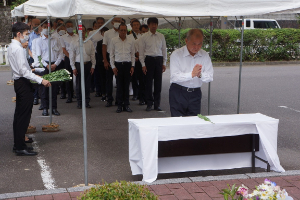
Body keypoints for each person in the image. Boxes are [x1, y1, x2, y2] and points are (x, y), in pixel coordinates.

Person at [8, 22, 51, 156]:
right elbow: (23, 72)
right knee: (23, 116)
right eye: (26, 34)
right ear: (19, 34)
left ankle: (19, 143)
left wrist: (33, 70)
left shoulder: (13, 46)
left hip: (19, 82)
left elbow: (23, 69)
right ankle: (20, 146)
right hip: (23, 82)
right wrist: (41, 80)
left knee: (20, 115)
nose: (28, 37)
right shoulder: (18, 48)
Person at [169, 29, 213, 117]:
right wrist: (191, 74)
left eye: (199, 44)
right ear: (186, 41)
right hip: (178, 92)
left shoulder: (204, 55)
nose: (196, 47)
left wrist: (199, 74)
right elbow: (174, 77)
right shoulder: (176, 54)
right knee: (177, 122)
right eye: (194, 43)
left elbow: (210, 76)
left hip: (195, 93)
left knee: (194, 122)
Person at [138, 17, 167, 111]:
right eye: (152, 24)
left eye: (155, 24)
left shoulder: (161, 36)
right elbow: (141, 52)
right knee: (148, 83)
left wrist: (164, 63)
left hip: (158, 60)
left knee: (158, 84)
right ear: (149, 25)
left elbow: (164, 50)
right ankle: (149, 103)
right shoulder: (144, 37)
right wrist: (143, 64)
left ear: (157, 25)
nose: (154, 26)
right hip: (149, 60)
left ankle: (157, 104)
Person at [36, 21, 64, 116]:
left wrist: (55, 64)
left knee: (54, 87)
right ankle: (45, 108)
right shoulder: (39, 41)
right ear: (41, 28)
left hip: (54, 64)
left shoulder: (56, 39)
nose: (46, 28)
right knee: (44, 88)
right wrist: (46, 65)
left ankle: (54, 108)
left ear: (51, 28)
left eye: (48, 27)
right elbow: (39, 56)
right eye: (44, 26)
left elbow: (60, 53)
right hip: (45, 65)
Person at [110, 23, 135, 113]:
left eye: (125, 30)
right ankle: (119, 105)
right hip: (118, 65)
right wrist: (113, 67)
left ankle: (126, 105)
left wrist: (133, 66)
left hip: (128, 65)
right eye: (121, 30)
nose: (123, 32)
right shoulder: (114, 40)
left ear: (127, 31)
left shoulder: (131, 40)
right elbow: (111, 55)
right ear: (118, 30)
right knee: (119, 86)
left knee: (126, 86)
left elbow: (132, 54)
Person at [69, 25, 96, 109]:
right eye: (81, 31)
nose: (83, 32)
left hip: (88, 64)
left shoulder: (89, 42)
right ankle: (79, 102)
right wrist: (73, 67)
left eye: (84, 31)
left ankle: (87, 102)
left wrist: (93, 66)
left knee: (87, 84)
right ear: (77, 32)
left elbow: (92, 54)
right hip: (78, 64)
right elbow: (71, 56)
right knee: (79, 85)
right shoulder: (73, 42)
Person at [102, 17, 122, 107]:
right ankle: (109, 99)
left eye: (119, 21)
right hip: (109, 57)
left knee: (119, 81)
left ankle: (119, 100)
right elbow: (104, 47)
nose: (117, 22)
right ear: (112, 22)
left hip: (119, 58)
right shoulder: (107, 33)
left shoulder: (123, 32)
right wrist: (105, 60)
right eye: (116, 21)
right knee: (108, 80)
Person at [128, 19, 146, 105]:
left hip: (142, 58)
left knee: (142, 78)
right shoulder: (129, 35)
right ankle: (135, 93)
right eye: (134, 25)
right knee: (134, 78)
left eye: (137, 24)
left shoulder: (143, 35)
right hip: (134, 58)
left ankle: (142, 96)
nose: (136, 26)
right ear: (131, 26)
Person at [60, 21, 78, 103]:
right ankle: (69, 95)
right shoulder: (63, 37)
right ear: (66, 28)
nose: (70, 27)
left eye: (71, 26)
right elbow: (63, 49)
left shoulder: (77, 36)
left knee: (78, 76)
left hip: (77, 58)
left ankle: (78, 94)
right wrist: (70, 57)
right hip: (68, 58)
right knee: (68, 77)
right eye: (68, 26)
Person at [88, 17, 105, 97]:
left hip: (105, 55)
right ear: (96, 24)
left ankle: (104, 90)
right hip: (95, 55)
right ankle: (98, 90)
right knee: (97, 73)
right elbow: (89, 44)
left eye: (102, 22)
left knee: (104, 74)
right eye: (99, 23)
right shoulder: (92, 33)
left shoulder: (107, 32)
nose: (100, 24)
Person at [27, 18, 42, 106]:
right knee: (34, 77)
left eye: (38, 24)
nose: (36, 26)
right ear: (31, 25)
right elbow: (27, 47)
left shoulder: (42, 35)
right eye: (35, 24)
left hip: (41, 59)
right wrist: (33, 56)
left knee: (41, 76)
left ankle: (41, 95)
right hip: (32, 58)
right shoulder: (29, 35)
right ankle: (35, 96)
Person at [96, 27, 109, 102]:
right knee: (103, 79)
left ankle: (109, 93)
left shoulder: (111, 41)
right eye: (103, 32)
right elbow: (99, 54)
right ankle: (103, 94)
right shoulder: (99, 42)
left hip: (110, 62)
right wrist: (104, 61)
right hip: (101, 63)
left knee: (108, 79)